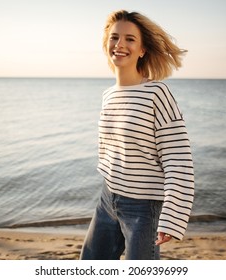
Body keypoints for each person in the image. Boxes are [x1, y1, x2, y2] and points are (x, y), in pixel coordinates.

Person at [80, 10, 194, 260]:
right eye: (114, 37)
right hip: (108, 199)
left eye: (130, 39)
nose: (120, 45)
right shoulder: (108, 95)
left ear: (142, 49)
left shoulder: (157, 93)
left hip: (144, 208)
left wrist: (172, 217)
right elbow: (109, 151)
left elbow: (179, 160)